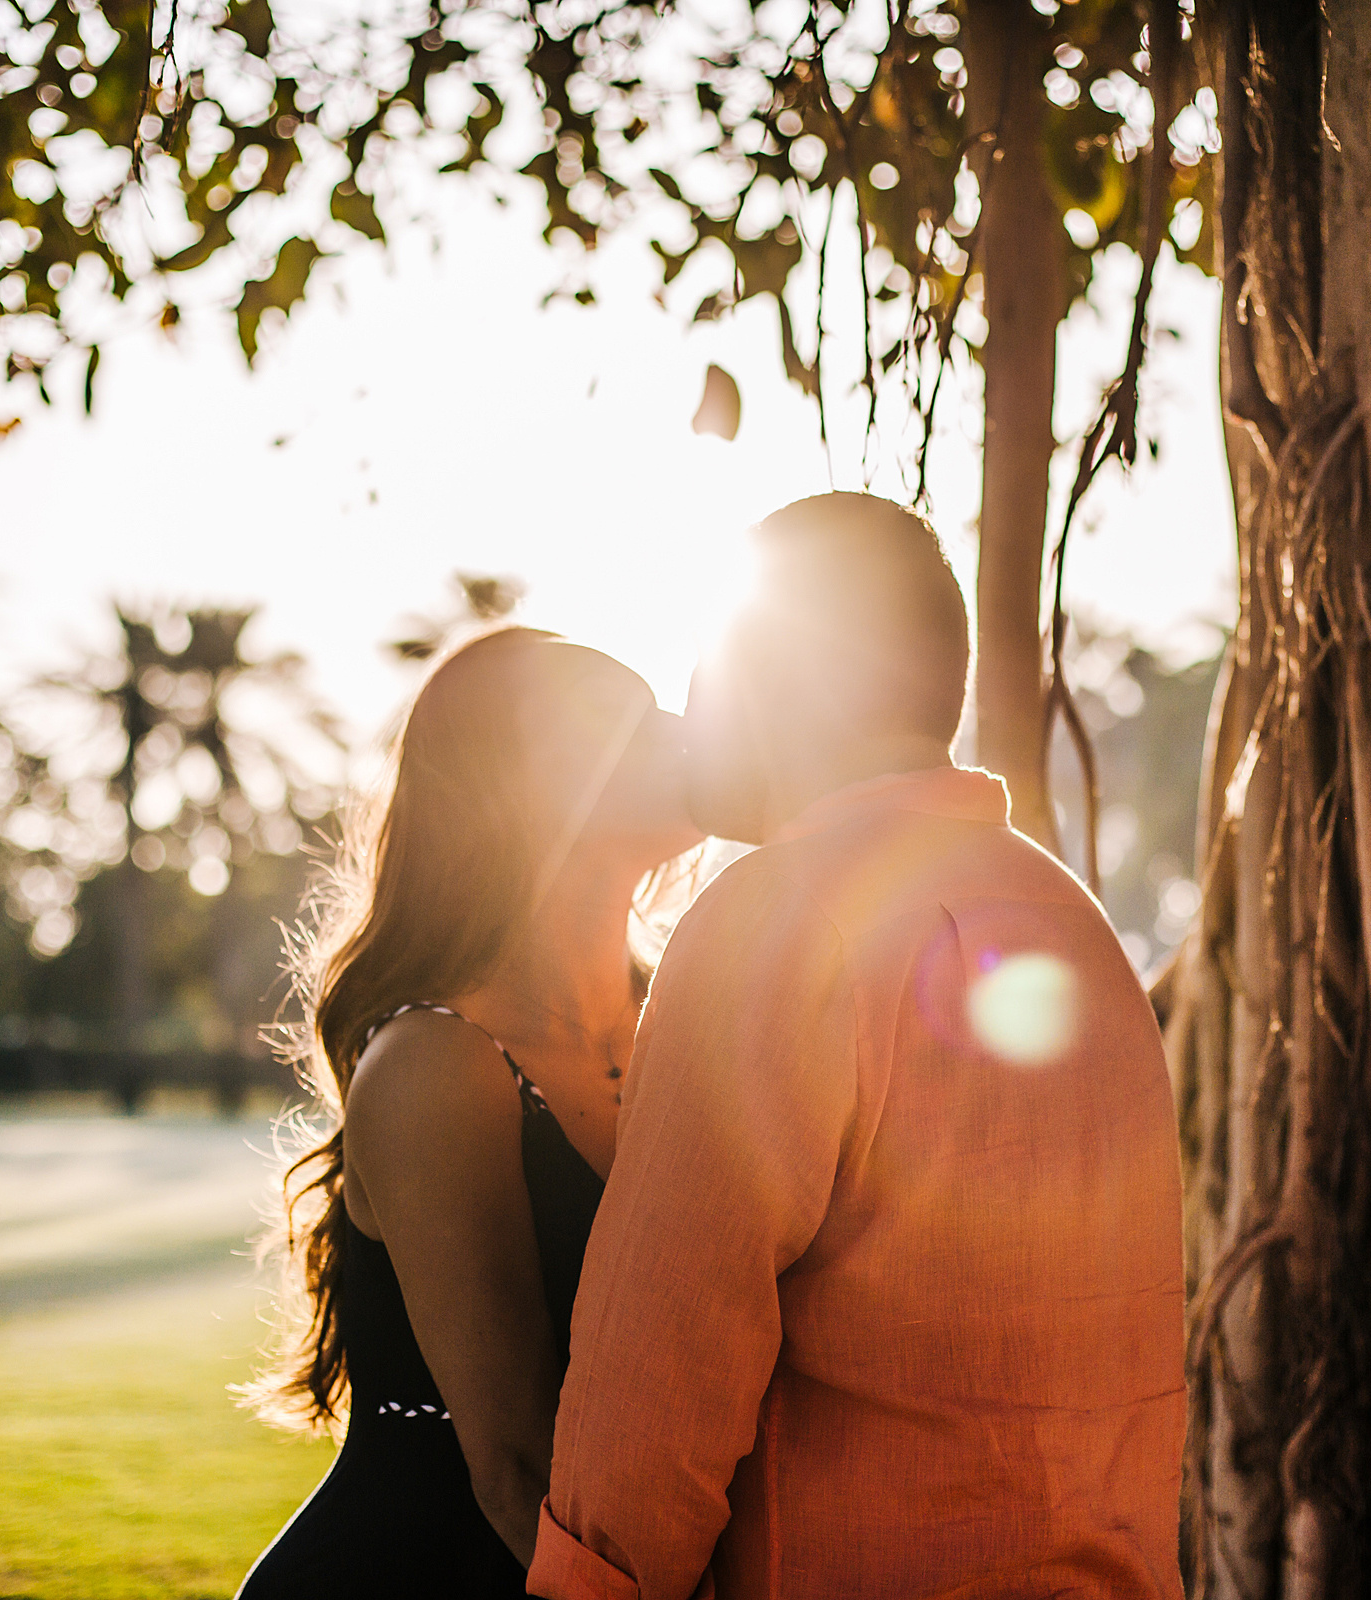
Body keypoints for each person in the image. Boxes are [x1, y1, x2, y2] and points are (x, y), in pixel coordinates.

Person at [529, 494, 1187, 1600]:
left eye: (711, 663)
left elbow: (657, 1386)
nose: (691, 710)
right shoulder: (1076, 929)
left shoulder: (774, 919)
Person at [238, 626, 699, 1598]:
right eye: (628, 724)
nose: (679, 736)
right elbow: (517, 1462)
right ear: (529, 788)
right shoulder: (435, 1062)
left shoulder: (686, 1018)